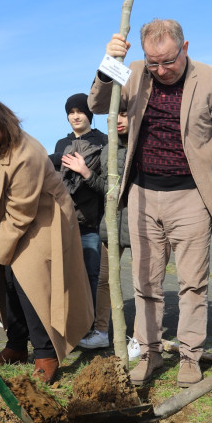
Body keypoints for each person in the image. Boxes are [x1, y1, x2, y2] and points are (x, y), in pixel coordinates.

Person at [88, 18, 212, 388]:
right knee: (145, 282)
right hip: (142, 195)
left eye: (168, 61)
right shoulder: (131, 72)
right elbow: (97, 104)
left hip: (191, 196)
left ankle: (190, 356)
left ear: (185, 48)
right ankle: (148, 354)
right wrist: (107, 63)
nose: (161, 70)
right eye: (153, 63)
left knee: (193, 283)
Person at [0, 94, 93, 383]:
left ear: (1, 124)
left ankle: (46, 351)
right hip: (8, 218)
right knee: (5, 277)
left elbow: (21, 215)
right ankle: (17, 345)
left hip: (43, 215)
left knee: (27, 278)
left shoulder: (26, 152)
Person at [78, 107, 130, 351]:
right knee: (105, 280)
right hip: (112, 222)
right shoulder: (109, 147)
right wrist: (87, 173)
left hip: (140, 222)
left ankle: (141, 338)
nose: (119, 121)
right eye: (115, 115)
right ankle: (101, 331)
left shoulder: (144, 143)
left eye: (125, 114)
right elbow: (105, 188)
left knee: (145, 283)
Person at [50, 93, 107, 312]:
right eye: (71, 113)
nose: (75, 117)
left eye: (80, 111)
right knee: (67, 274)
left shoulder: (103, 141)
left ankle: (92, 321)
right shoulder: (62, 143)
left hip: (92, 222)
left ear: (89, 114)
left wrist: (85, 171)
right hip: (65, 221)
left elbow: (107, 183)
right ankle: (73, 320)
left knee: (93, 274)